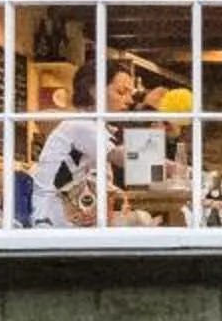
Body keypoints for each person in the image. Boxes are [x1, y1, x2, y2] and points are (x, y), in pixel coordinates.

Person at [20, 63, 142, 226]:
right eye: (121, 92)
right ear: (95, 91)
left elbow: (93, 182)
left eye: (130, 94)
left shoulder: (95, 128)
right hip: (52, 224)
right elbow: (120, 157)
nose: (129, 100)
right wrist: (157, 158)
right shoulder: (81, 125)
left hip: (67, 223)